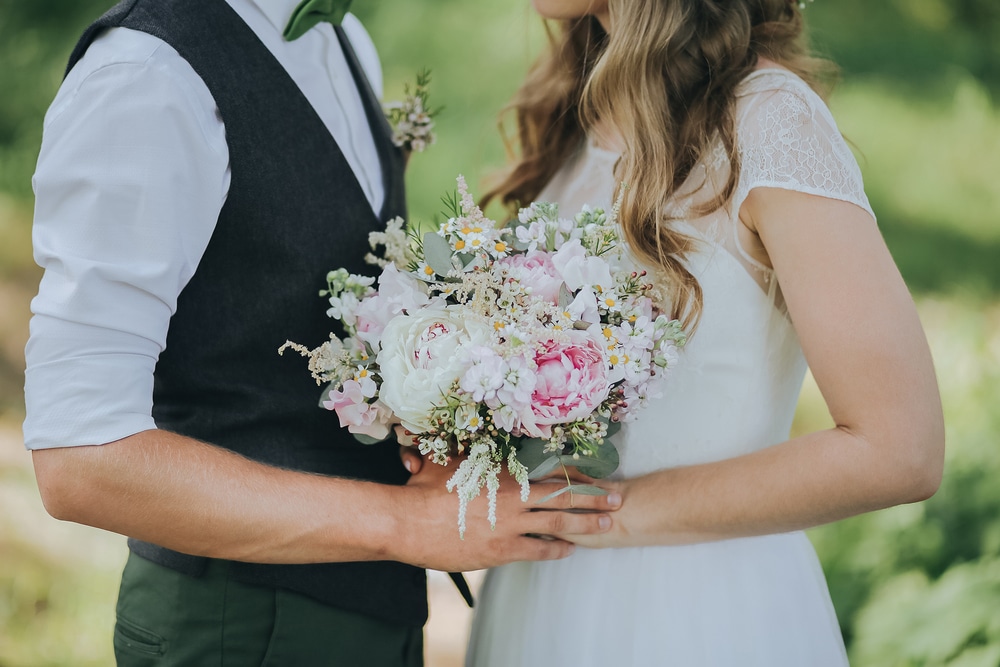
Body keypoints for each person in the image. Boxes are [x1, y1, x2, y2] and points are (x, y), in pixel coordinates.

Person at [22, 0, 623, 664]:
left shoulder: (343, 38)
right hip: (237, 627)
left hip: (370, 615)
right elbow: (80, 457)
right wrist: (404, 524)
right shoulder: (145, 77)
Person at [442, 0, 944, 664]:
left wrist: (608, 511)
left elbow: (900, 446)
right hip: (537, 598)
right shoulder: (580, 111)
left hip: (694, 611)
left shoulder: (768, 124)